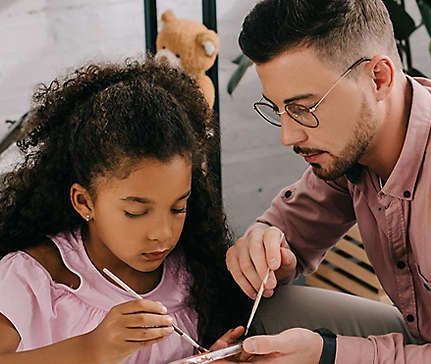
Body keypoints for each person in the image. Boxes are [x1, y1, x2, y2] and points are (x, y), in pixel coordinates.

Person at [224, 0, 431, 363]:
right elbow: (292, 225)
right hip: (430, 339)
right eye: (279, 109)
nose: (288, 136)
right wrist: (268, 247)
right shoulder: (356, 147)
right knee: (264, 314)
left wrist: (330, 355)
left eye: (304, 108)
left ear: (379, 78)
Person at [0, 58, 249, 364]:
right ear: (84, 202)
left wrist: (210, 358)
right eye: (135, 212)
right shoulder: (35, 277)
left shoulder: (190, 272)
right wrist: (90, 349)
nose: (162, 233)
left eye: (178, 207)